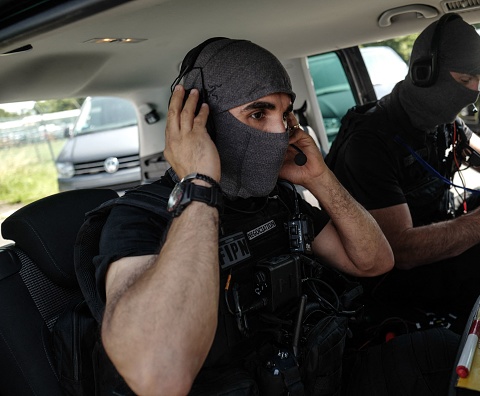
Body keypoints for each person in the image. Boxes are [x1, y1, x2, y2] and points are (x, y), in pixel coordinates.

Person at [75, 38, 396, 395]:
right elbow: (159, 374)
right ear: (205, 123)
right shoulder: (139, 216)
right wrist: (199, 185)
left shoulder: (277, 200)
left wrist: (320, 179)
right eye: (259, 114)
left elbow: (374, 261)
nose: (281, 133)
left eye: (286, 114)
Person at [325, 14, 480, 333]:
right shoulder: (368, 143)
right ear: (424, 73)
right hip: (385, 277)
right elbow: (400, 250)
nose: (474, 92)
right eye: (466, 79)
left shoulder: (442, 123)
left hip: (429, 234)